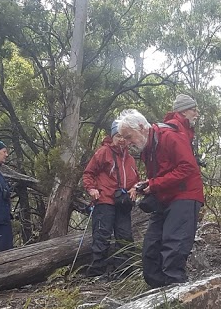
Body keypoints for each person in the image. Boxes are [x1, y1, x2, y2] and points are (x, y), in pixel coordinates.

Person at [116, 107, 204, 288]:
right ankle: (158, 294)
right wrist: (147, 184)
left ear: (141, 127)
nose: (127, 142)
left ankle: (178, 297)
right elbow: (161, 174)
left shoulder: (169, 136)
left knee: (174, 246)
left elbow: (188, 168)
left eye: (128, 136)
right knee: (151, 249)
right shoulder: (147, 148)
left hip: (185, 195)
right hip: (164, 198)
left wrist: (154, 184)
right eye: (124, 138)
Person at [81, 121, 140, 277]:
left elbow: (136, 180)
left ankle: (124, 273)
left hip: (123, 202)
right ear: (112, 136)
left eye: (125, 137)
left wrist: (135, 188)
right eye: (118, 136)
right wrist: (92, 189)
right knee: (102, 236)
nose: (122, 140)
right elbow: (88, 173)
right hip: (104, 200)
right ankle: (96, 273)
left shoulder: (130, 159)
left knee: (125, 236)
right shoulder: (103, 152)